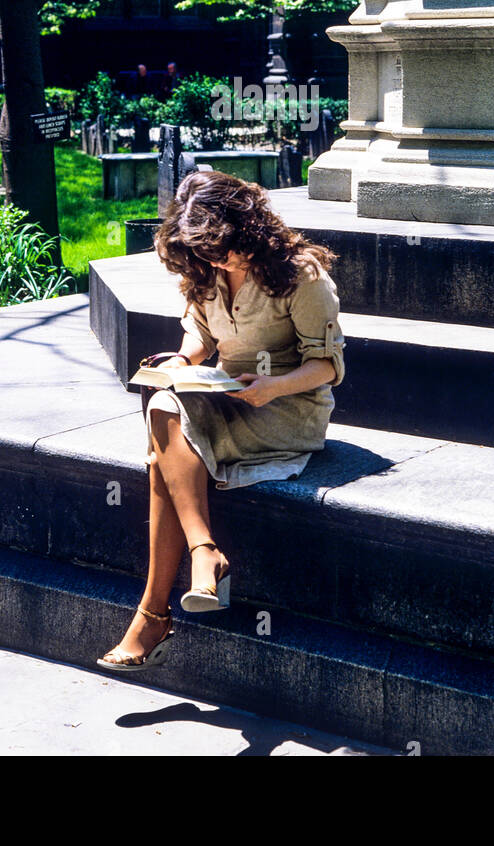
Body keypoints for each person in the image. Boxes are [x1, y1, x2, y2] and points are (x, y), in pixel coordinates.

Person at [97, 169, 345, 671]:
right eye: (205, 252)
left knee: (161, 455)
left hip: (287, 408)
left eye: (226, 248)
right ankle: (201, 554)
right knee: (164, 403)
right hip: (227, 395)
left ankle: (155, 611)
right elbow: (200, 335)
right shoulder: (203, 264)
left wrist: (271, 387)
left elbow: (328, 366)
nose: (217, 259)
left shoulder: (302, 275)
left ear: (249, 225)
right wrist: (183, 363)